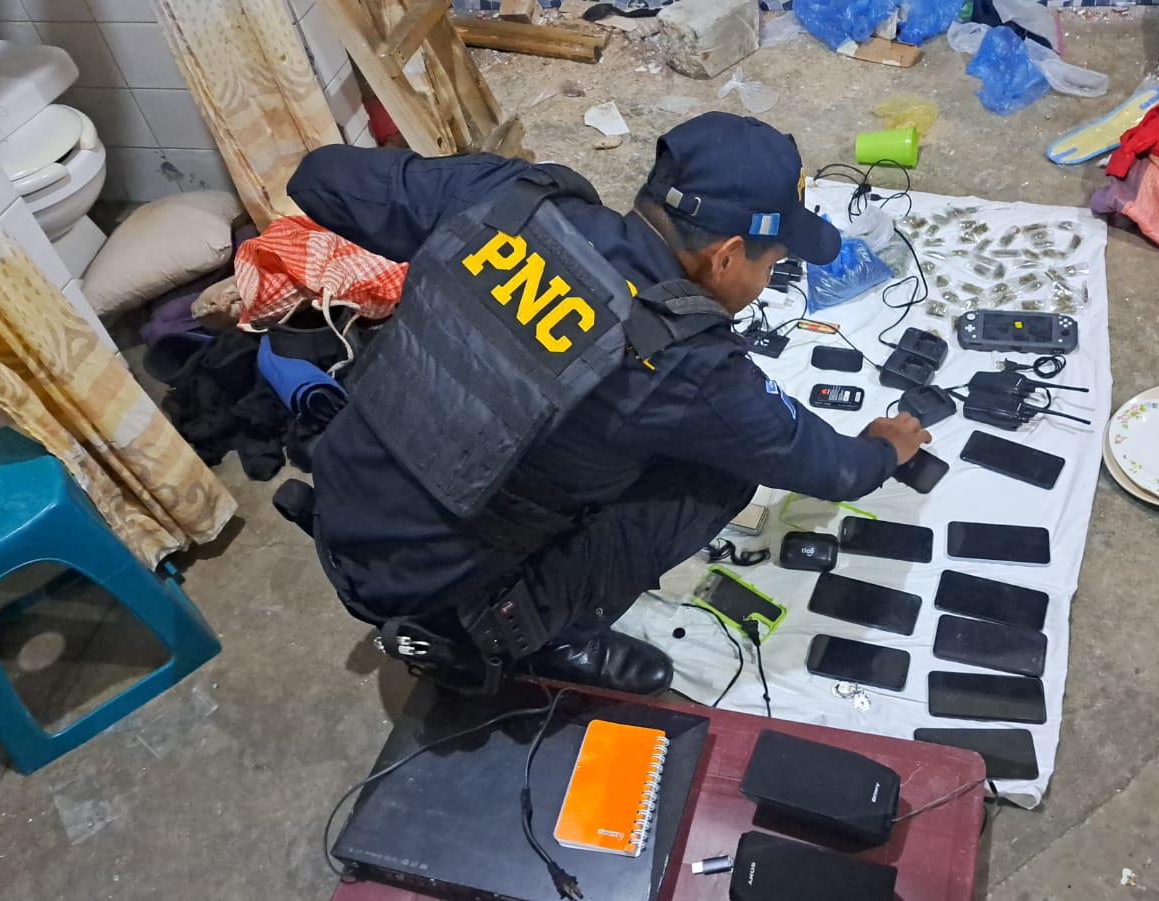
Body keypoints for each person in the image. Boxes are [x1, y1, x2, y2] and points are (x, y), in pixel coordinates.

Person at [285, 112, 932, 696]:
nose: (766, 284)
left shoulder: (510, 198)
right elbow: (830, 469)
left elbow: (318, 179)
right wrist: (886, 446)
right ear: (726, 256)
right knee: (721, 473)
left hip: (343, 491)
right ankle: (517, 634)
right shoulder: (688, 363)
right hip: (418, 580)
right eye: (773, 264)